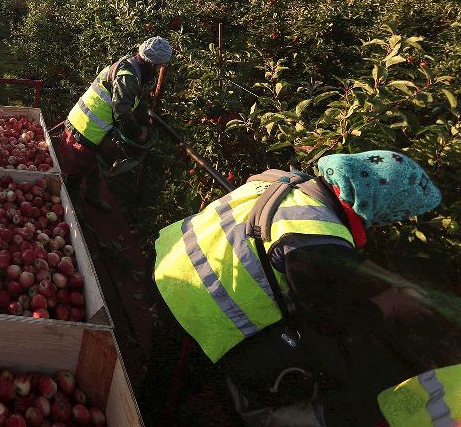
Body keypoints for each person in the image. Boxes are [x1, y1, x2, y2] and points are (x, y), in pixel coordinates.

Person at [144, 150, 446, 426]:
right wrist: (389, 305)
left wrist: (389, 282)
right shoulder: (314, 239)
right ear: (384, 206)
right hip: (189, 304)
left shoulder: (289, 185)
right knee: (171, 395)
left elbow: (329, 262)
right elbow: (329, 319)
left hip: (169, 266)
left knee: (169, 376)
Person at [60, 36, 171, 212]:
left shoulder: (133, 67)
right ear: (152, 63)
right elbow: (122, 112)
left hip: (92, 124)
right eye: (160, 66)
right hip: (86, 126)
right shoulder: (128, 77)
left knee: (93, 163)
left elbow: (136, 100)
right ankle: (70, 207)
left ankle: (92, 195)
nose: (159, 70)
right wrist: (138, 132)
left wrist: (143, 118)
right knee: (78, 167)